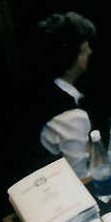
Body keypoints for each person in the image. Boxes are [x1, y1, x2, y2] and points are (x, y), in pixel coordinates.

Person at [16, 11, 98, 177]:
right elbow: (82, 177)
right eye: (83, 50)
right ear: (68, 62)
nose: (90, 51)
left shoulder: (38, 86)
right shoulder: (71, 117)